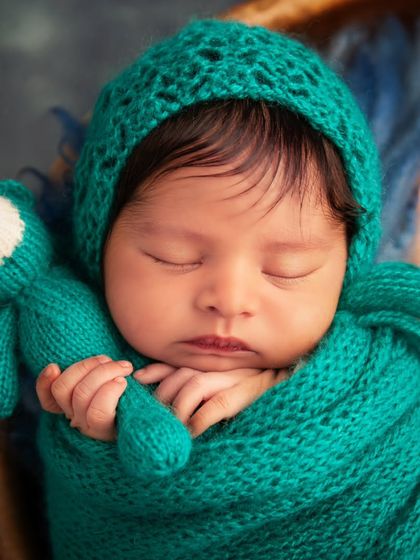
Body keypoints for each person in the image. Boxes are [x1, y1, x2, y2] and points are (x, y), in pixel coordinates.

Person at [0, 18, 418, 560]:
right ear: (99, 250)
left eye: (286, 268)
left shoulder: (379, 350)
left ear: (344, 270)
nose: (230, 300)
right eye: (175, 257)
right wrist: (97, 439)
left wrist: (291, 387)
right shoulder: (82, 360)